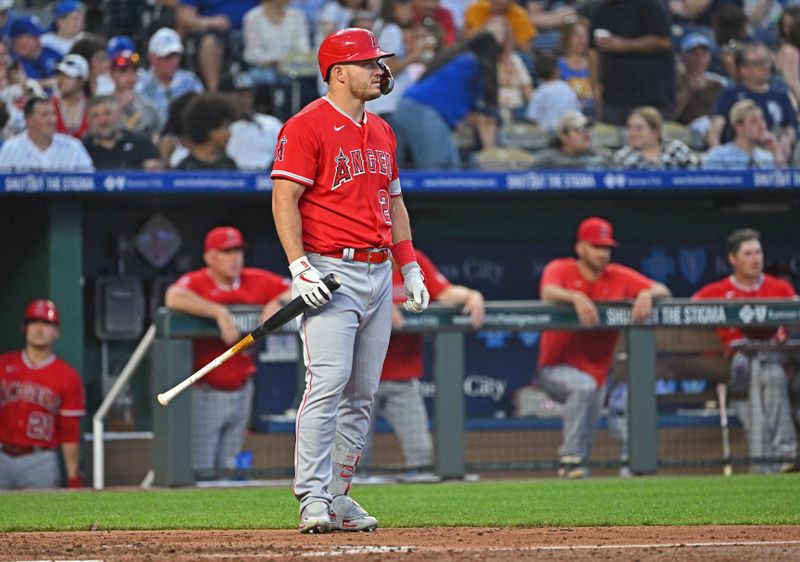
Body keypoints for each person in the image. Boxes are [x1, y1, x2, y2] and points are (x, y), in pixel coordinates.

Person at [270, 27, 429, 533]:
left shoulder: (382, 130)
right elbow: (284, 200)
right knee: (328, 385)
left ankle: (337, 496)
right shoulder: (305, 125)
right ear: (339, 73)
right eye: (369, 64)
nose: (380, 71)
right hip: (330, 270)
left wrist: (409, 265)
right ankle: (311, 497)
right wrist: (299, 266)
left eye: (380, 63)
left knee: (362, 393)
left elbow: (395, 202)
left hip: (379, 270)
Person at [536, 217, 671, 478]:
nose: (602, 253)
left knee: (587, 427)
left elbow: (662, 289)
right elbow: (548, 291)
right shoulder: (561, 268)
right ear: (581, 248)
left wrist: (645, 294)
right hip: (554, 369)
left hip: (598, 374)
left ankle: (575, 478)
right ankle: (570, 459)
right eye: (596, 247)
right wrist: (575, 296)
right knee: (582, 387)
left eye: (606, 248)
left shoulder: (617, 275)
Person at [164, 226, 291, 477]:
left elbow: (298, 286)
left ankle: (223, 514)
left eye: (238, 251)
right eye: (226, 252)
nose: (235, 258)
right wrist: (218, 312)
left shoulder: (255, 279)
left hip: (243, 388)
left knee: (229, 466)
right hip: (206, 391)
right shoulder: (198, 281)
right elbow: (173, 297)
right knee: (202, 468)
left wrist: (279, 301)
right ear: (209, 257)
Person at [361, 249, 485, 482]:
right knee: (354, 458)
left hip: (402, 377)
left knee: (421, 457)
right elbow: (340, 304)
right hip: (360, 377)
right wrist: (378, 307)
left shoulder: (413, 260)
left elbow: (445, 292)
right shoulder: (358, 258)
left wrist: (471, 295)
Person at [693, 228, 798, 474]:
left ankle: (763, 466)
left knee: (767, 374)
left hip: (777, 368)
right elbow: (687, 312)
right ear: (733, 259)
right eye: (748, 253)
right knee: (762, 372)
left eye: (758, 252)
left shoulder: (780, 289)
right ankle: (787, 453)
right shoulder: (716, 292)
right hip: (735, 373)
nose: (756, 259)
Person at [0, 299, 86, 490]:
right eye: (34, 322)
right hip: (2, 454)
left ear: (56, 331)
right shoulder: (3, 365)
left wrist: (72, 475)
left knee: (41, 518)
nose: (39, 329)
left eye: (46, 323)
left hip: (40, 460)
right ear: (24, 327)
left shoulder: (68, 376)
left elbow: (69, 430)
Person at [393, 31, 502, 169]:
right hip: (423, 110)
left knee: (451, 166)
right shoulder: (473, 63)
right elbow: (486, 115)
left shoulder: (457, 57)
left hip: (409, 107)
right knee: (436, 172)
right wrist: (491, 152)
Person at [588, 0, 674, 125]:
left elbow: (663, 41)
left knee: (650, 141)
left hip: (650, 96)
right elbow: (593, 52)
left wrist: (622, 45)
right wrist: (595, 87)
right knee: (612, 141)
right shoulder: (601, 10)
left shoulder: (650, 5)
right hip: (613, 97)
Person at [707, 42, 796, 162]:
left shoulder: (781, 95)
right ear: (744, 69)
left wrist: (786, 141)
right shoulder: (731, 94)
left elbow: (790, 127)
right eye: (759, 63)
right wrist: (719, 158)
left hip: (774, 155)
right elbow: (715, 130)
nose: (765, 66)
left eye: (767, 61)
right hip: (737, 158)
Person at [177, 0, 258, 90]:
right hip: (215, 31)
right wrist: (210, 22)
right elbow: (185, 18)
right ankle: (214, 92)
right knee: (209, 42)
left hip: (254, 30)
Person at [0, 96, 94, 171]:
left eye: (54, 114)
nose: (52, 120)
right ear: (29, 120)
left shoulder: (73, 147)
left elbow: (89, 182)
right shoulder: (11, 148)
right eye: (45, 115)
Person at [136, 28, 205, 126]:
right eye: (166, 57)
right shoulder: (140, 85)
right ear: (152, 57)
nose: (173, 62)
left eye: (175, 56)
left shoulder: (190, 82)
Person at [82, 95, 162, 170]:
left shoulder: (141, 142)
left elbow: (159, 170)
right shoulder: (82, 149)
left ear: (118, 115)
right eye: (95, 116)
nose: (103, 120)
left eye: (107, 113)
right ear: (88, 120)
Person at [612, 106, 699, 169]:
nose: (633, 133)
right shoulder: (621, 157)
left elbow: (697, 176)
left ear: (656, 130)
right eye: (630, 128)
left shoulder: (676, 148)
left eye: (639, 128)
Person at [703, 99, 782, 168]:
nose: (762, 125)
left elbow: (782, 182)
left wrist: (776, 152)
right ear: (739, 127)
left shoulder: (767, 158)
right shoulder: (718, 157)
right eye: (753, 121)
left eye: (762, 119)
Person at [673, 32, 727, 133]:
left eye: (703, 53)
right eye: (693, 53)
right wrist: (688, 90)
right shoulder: (675, 80)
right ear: (683, 56)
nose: (699, 58)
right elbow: (672, 114)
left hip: (712, 128)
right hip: (681, 130)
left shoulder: (717, 83)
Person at [175, 92, 239, 169]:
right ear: (210, 130)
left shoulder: (229, 164)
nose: (229, 133)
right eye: (225, 127)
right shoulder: (185, 167)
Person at [109, 49, 162, 140]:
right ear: (112, 74)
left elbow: (158, 133)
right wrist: (120, 106)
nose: (130, 76)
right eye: (123, 71)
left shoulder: (148, 105)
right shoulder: (103, 103)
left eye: (133, 71)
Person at [530, 110, 608, 169]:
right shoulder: (546, 161)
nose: (586, 134)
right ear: (563, 136)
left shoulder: (599, 156)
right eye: (579, 129)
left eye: (587, 128)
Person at [524, 52, 579, 133]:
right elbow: (576, 111)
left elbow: (532, 118)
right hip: (568, 133)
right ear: (556, 70)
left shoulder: (539, 92)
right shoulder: (568, 88)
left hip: (546, 134)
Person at [8, 15, 62, 87]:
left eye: (39, 36)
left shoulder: (50, 52)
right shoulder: (9, 62)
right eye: (34, 37)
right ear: (18, 40)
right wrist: (45, 83)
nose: (39, 41)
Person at [557, 15, 594, 117]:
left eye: (584, 34)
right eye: (576, 34)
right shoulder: (558, 65)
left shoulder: (594, 63)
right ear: (567, 38)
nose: (581, 39)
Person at [52, 53, 90, 138]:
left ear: (81, 80)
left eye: (67, 76)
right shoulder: (50, 106)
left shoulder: (91, 106)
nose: (61, 80)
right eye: (59, 74)